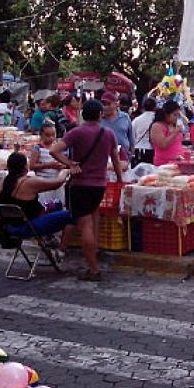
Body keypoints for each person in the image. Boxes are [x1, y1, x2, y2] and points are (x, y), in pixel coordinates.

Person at [49, 100, 124, 281]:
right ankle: (93, 259)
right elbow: (115, 159)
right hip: (99, 186)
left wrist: (69, 164)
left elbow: (54, 150)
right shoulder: (108, 133)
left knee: (85, 226)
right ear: (100, 115)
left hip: (80, 184)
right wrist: (121, 180)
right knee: (92, 221)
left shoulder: (77, 132)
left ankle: (93, 268)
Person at [0, 152, 75, 248]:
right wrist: (65, 171)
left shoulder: (2, 183)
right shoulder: (28, 182)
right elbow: (57, 183)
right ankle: (61, 249)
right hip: (28, 226)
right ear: (25, 166)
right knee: (73, 214)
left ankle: (49, 239)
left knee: (57, 204)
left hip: (9, 226)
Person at [27, 123, 65, 208]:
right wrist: (48, 165)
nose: (51, 138)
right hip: (43, 182)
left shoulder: (57, 147)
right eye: (47, 135)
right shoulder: (38, 148)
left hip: (56, 182)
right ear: (41, 135)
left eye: (53, 135)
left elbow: (63, 162)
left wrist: (61, 166)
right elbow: (32, 166)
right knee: (45, 206)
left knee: (57, 205)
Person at [149, 100, 188, 166]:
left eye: (178, 115)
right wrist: (176, 132)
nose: (176, 118)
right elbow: (163, 144)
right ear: (166, 114)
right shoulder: (157, 126)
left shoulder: (173, 125)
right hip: (164, 164)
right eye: (174, 115)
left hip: (178, 162)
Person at [100, 92, 134, 159]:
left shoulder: (125, 117)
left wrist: (132, 152)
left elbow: (130, 136)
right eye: (103, 104)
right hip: (105, 157)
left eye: (108, 104)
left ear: (116, 104)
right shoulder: (99, 119)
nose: (105, 107)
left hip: (124, 157)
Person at [130, 96, 157, 166]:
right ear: (155, 107)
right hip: (152, 150)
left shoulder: (136, 120)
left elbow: (132, 136)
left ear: (143, 107)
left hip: (138, 150)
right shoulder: (157, 119)